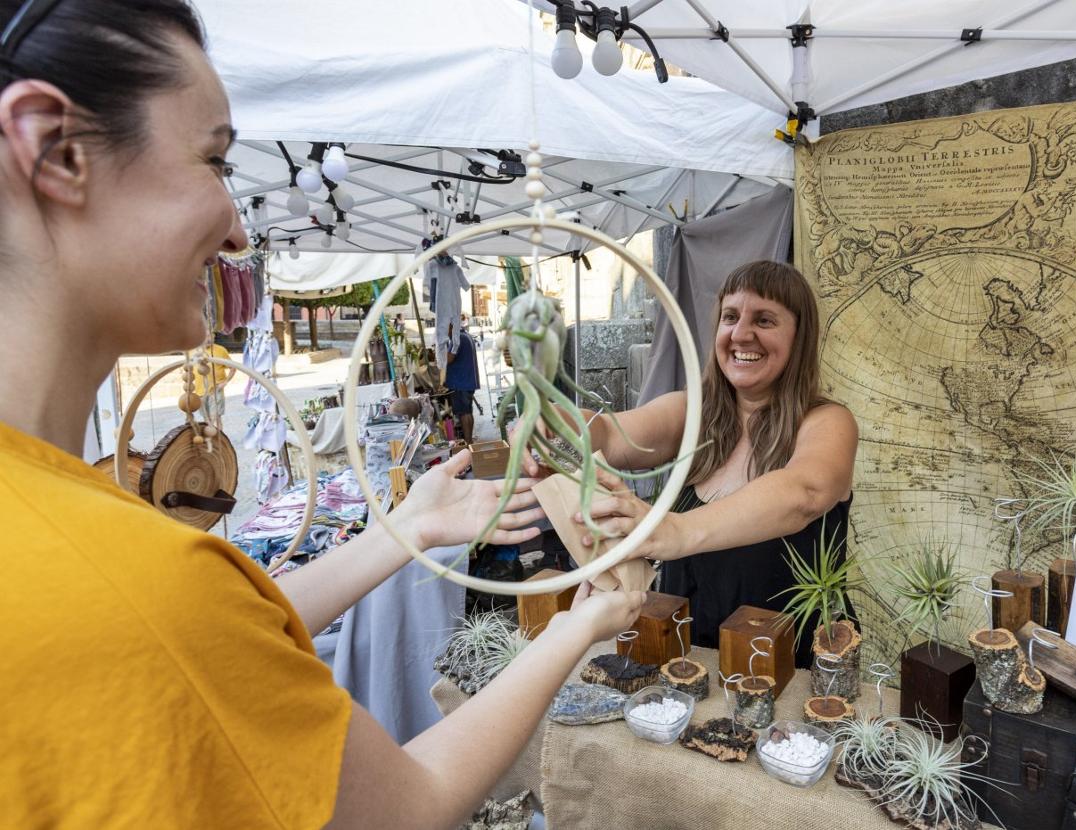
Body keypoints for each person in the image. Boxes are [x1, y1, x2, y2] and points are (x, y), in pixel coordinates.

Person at [0, 3, 645, 827]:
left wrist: (402, 531)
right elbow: (406, 806)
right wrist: (582, 622)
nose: (238, 228)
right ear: (56, 150)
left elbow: (215, 635)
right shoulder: (130, 573)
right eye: (214, 161)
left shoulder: (72, 538)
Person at [528, 260, 858, 665]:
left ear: (800, 337)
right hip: (691, 661)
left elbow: (805, 492)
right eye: (730, 317)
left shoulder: (828, 421)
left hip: (792, 670)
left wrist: (675, 530)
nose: (741, 334)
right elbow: (612, 434)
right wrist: (556, 424)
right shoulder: (692, 414)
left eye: (765, 320)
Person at [445, 315, 480, 444]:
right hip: (467, 381)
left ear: (451, 326)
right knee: (467, 412)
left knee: (464, 413)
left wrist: (440, 351)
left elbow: (449, 359)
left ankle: (468, 442)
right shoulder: (464, 335)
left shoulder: (457, 338)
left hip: (461, 382)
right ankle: (469, 441)